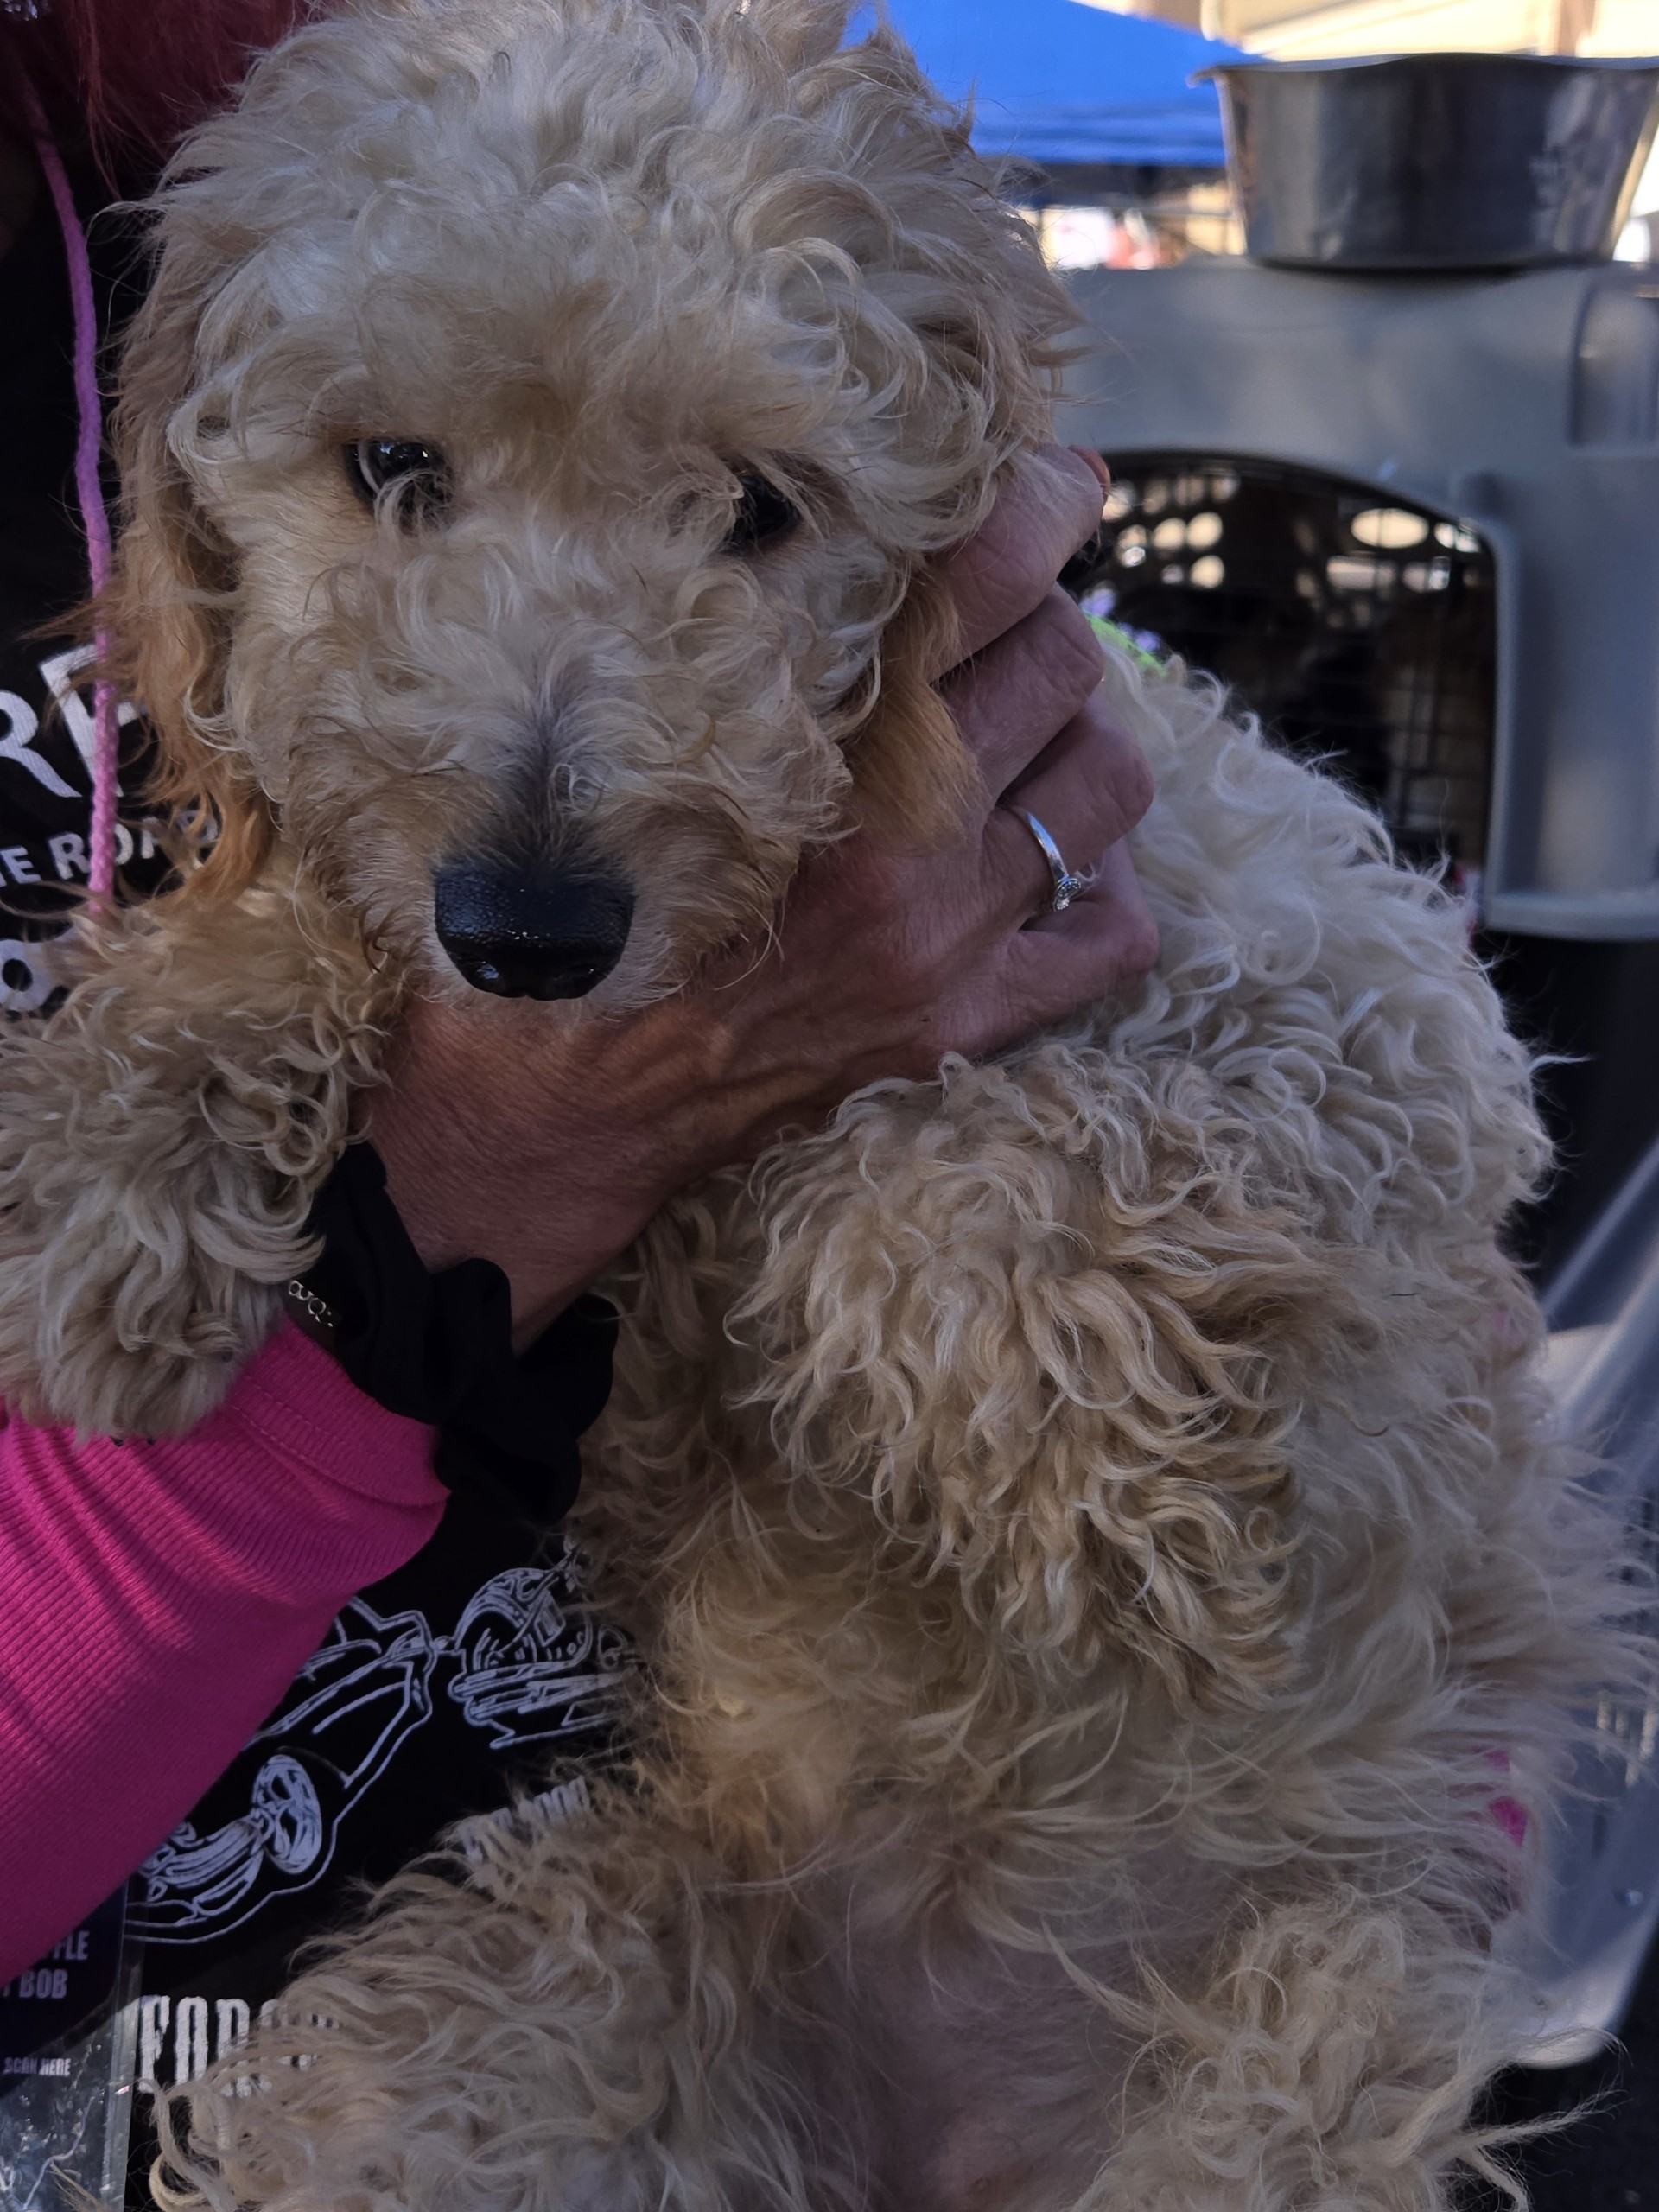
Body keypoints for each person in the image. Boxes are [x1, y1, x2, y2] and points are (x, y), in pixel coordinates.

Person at [0, 0, 1155, 2127]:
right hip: (396, 2061)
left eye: (748, 509)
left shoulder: (278, 138)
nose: (540, 760)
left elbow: (1349, 1422)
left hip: (877, 1908)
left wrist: (1386, 1829)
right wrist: (464, 1175)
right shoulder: (306, 236)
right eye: (399, 477)